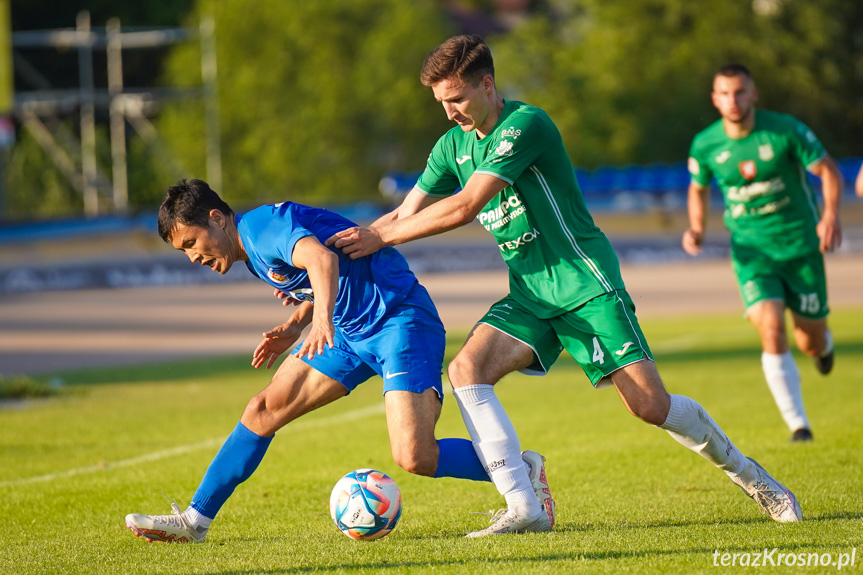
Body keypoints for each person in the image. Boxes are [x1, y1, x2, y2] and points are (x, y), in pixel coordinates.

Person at [327, 35, 802, 537]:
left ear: (487, 84)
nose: (449, 113)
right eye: (441, 103)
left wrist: (379, 236)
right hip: (531, 294)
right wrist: (334, 257)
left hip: (585, 284)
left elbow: (466, 206)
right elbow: (405, 212)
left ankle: (755, 479)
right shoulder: (451, 145)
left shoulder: (525, 126)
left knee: (650, 407)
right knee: (466, 369)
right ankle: (524, 506)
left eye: (457, 100)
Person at [124, 178, 551, 543]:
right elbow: (333, 266)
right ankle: (195, 521)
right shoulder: (251, 249)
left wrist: (321, 321)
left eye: (192, 243)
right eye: (184, 252)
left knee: (414, 456)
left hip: (399, 320)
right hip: (349, 333)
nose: (194, 257)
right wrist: (297, 323)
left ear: (217, 218)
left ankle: (522, 470)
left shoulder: (258, 228)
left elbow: (320, 258)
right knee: (263, 410)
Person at [682, 63, 843, 442]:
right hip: (752, 253)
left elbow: (829, 170)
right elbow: (698, 187)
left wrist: (830, 216)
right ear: (714, 99)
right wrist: (698, 228)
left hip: (801, 248)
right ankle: (798, 425)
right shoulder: (706, 143)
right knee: (772, 329)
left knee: (810, 340)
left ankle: (825, 346)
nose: (733, 100)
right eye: (724, 93)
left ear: (754, 94)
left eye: (740, 92)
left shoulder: (785, 130)